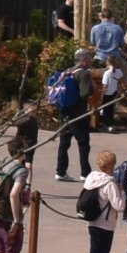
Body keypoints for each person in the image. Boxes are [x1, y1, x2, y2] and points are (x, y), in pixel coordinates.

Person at [68, 156, 121, 253]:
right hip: (105, 225)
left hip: (92, 222)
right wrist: (121, 192)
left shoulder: (91, 178)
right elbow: (119, 206)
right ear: (111, 165)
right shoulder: (110, 184)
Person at [46, 54, 93, 182]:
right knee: (83, 143)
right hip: (78, 112)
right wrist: (92, 89)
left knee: (64, 142)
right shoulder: (83, 74)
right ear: (83, 60)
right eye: (89, 58)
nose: (91, 60)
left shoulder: (68, 71)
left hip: (64, 111)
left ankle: (60, 171)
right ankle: (85, 173)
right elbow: (85, 93)